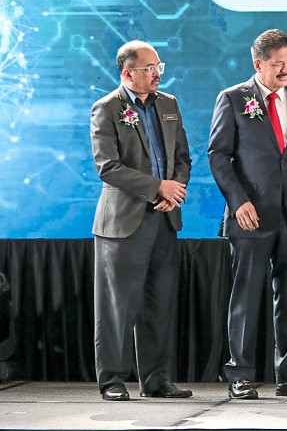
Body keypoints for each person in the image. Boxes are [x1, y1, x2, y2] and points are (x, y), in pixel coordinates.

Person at [208, 29, 287, 400]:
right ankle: (241, 375)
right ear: (258, 64)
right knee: (246, 295)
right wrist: (238, 201)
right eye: (277, 64)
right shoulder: (233, 99)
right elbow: (218, 156)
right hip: (251, 214)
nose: (286, 69)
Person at [89, 40, 192, 401]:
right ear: (127, 72)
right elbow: (108, 168)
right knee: (119, 305)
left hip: (165, 219)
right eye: (149, 68)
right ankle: (113, 380)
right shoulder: (106, 108)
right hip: (123, 222)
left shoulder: (169, 104)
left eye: (158, 66)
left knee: (159, 303)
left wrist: (173, 190)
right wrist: (155, 187)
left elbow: (183, 157)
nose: (156, 74)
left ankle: (156, 380)